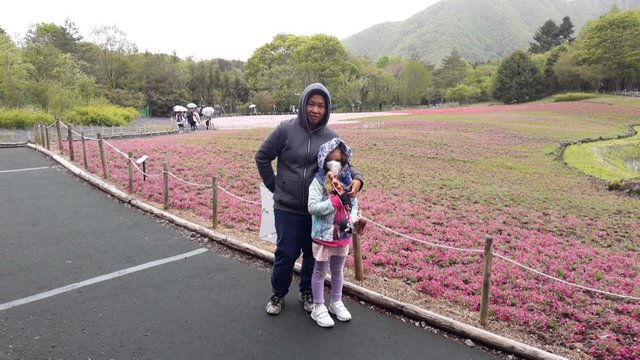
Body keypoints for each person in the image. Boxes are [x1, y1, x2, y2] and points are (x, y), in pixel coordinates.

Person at [255, 83, 364, 316]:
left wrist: (357, 179)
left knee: (313, 254)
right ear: (303, 104)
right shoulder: (285, 130)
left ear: (327, 109)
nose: (315, 110)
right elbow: (262, 156)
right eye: (311, 104)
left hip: (319, 210)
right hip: (288, 207)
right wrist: (276, 186)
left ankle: (307, 293)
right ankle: (278, 294)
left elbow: (347, 165)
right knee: (286, 252)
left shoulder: (330, 136)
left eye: (321, 106)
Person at [307, 138, 359, 327]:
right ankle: (318, 306)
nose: (335, 164)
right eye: (331, 160)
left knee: (338, 271)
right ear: (323, 160)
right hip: (323, 236)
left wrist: (353, 218)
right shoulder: (318, 182)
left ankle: (336, 302)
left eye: (340, 160)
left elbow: (354, 204)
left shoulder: (346, 180)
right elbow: (312, 207)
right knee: (320, 271)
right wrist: (335, 202)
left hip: (342, 235)